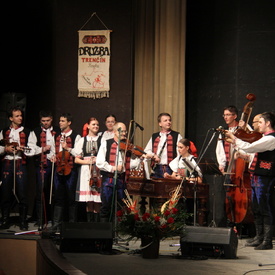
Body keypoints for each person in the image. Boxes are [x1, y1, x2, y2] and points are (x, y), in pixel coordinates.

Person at [225, 112, 275, 250]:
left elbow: (251, 147)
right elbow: (253, 156)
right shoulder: (263, 138)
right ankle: (259, 237)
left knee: (265, 208)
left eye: (260, 122)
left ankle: (267, 240)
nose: (258, 125)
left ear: (268, 123)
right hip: (256, 175)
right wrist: (242, 154)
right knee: (257, 208)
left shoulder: (271, 139)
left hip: (265, 177)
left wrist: (235, 138)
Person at [96, 122, 144, 222]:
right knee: (106, 206)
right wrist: (113, 168)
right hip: (108, 180)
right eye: (122, 131)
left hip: (121, 180)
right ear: (115, 131)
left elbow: (128, 165)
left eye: (125, 131)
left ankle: (117, 232)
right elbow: (99, 162)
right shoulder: (107, 143)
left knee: (121, 207)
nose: (124, 133)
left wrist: (141, 158)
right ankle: (104, 233)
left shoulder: (126, 146)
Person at [26, 110, 60, 227]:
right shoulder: (35, 131)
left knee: (55, 191)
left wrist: (57, 155)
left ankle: (54, 220)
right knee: (41, 191)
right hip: (42, 164)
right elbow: (29, 149)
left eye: (48, 120)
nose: (45, 123)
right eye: (43, 121)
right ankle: (41, 220)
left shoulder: (58, 130)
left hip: (56, 164)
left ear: (51, 119)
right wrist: (43, 149)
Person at [0, 106, 31, 230]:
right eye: (17, 116)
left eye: (21, 115)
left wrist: (23, 149)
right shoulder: (3, 131)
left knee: (22, 193)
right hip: (7, 162)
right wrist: (5, 149)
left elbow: (32, 148)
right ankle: (5, 219)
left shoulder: (27, 132)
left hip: (20, 162)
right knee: (5, 192)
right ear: (10, 118)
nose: (20, 118)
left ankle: (22, 221)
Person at [51, 113, 81, 232]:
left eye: (63, 121)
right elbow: (54, 151)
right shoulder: (57, 136)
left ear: (69, 123)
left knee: (71, 197)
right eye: (60, 121)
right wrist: (53, 157)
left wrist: (67, 148)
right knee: (58, 197)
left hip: (71, 170)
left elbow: (78, 153)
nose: (60, 123)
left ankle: (72, 224)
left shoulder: (76, 136)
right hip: (59, 169)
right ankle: (56, 223)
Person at [144, 112, 197, 178]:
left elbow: (180, 153)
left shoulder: (176, 135)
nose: (168, 122)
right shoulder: (155, 136)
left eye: (169, 120)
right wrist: (153, 156)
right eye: (165, 120)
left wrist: (176, 169)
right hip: (156, 168)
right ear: (160, 123)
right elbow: (147, 150)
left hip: (170, 168)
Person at [74, 117, 103, 222]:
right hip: (86, 171)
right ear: (88, 126)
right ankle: (89, 224)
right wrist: (88, 162)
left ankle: (97, 224)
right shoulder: (82, 140)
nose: (96, 126)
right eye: (93, 124)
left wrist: (97, 159)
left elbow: (105, 156)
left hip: (98, 170)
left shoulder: (101, 139)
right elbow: (76, 160)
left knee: (97, 200)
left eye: (97, 125)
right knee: (89, 200)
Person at [216, 106, 239, 173]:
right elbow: (220, 148)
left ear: (235, 116)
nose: (225, 117)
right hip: (229, 165)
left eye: (228, 115)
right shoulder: (224, 131)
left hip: (240, 163)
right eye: (224, 115)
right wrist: (222, 164)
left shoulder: (241, 129)